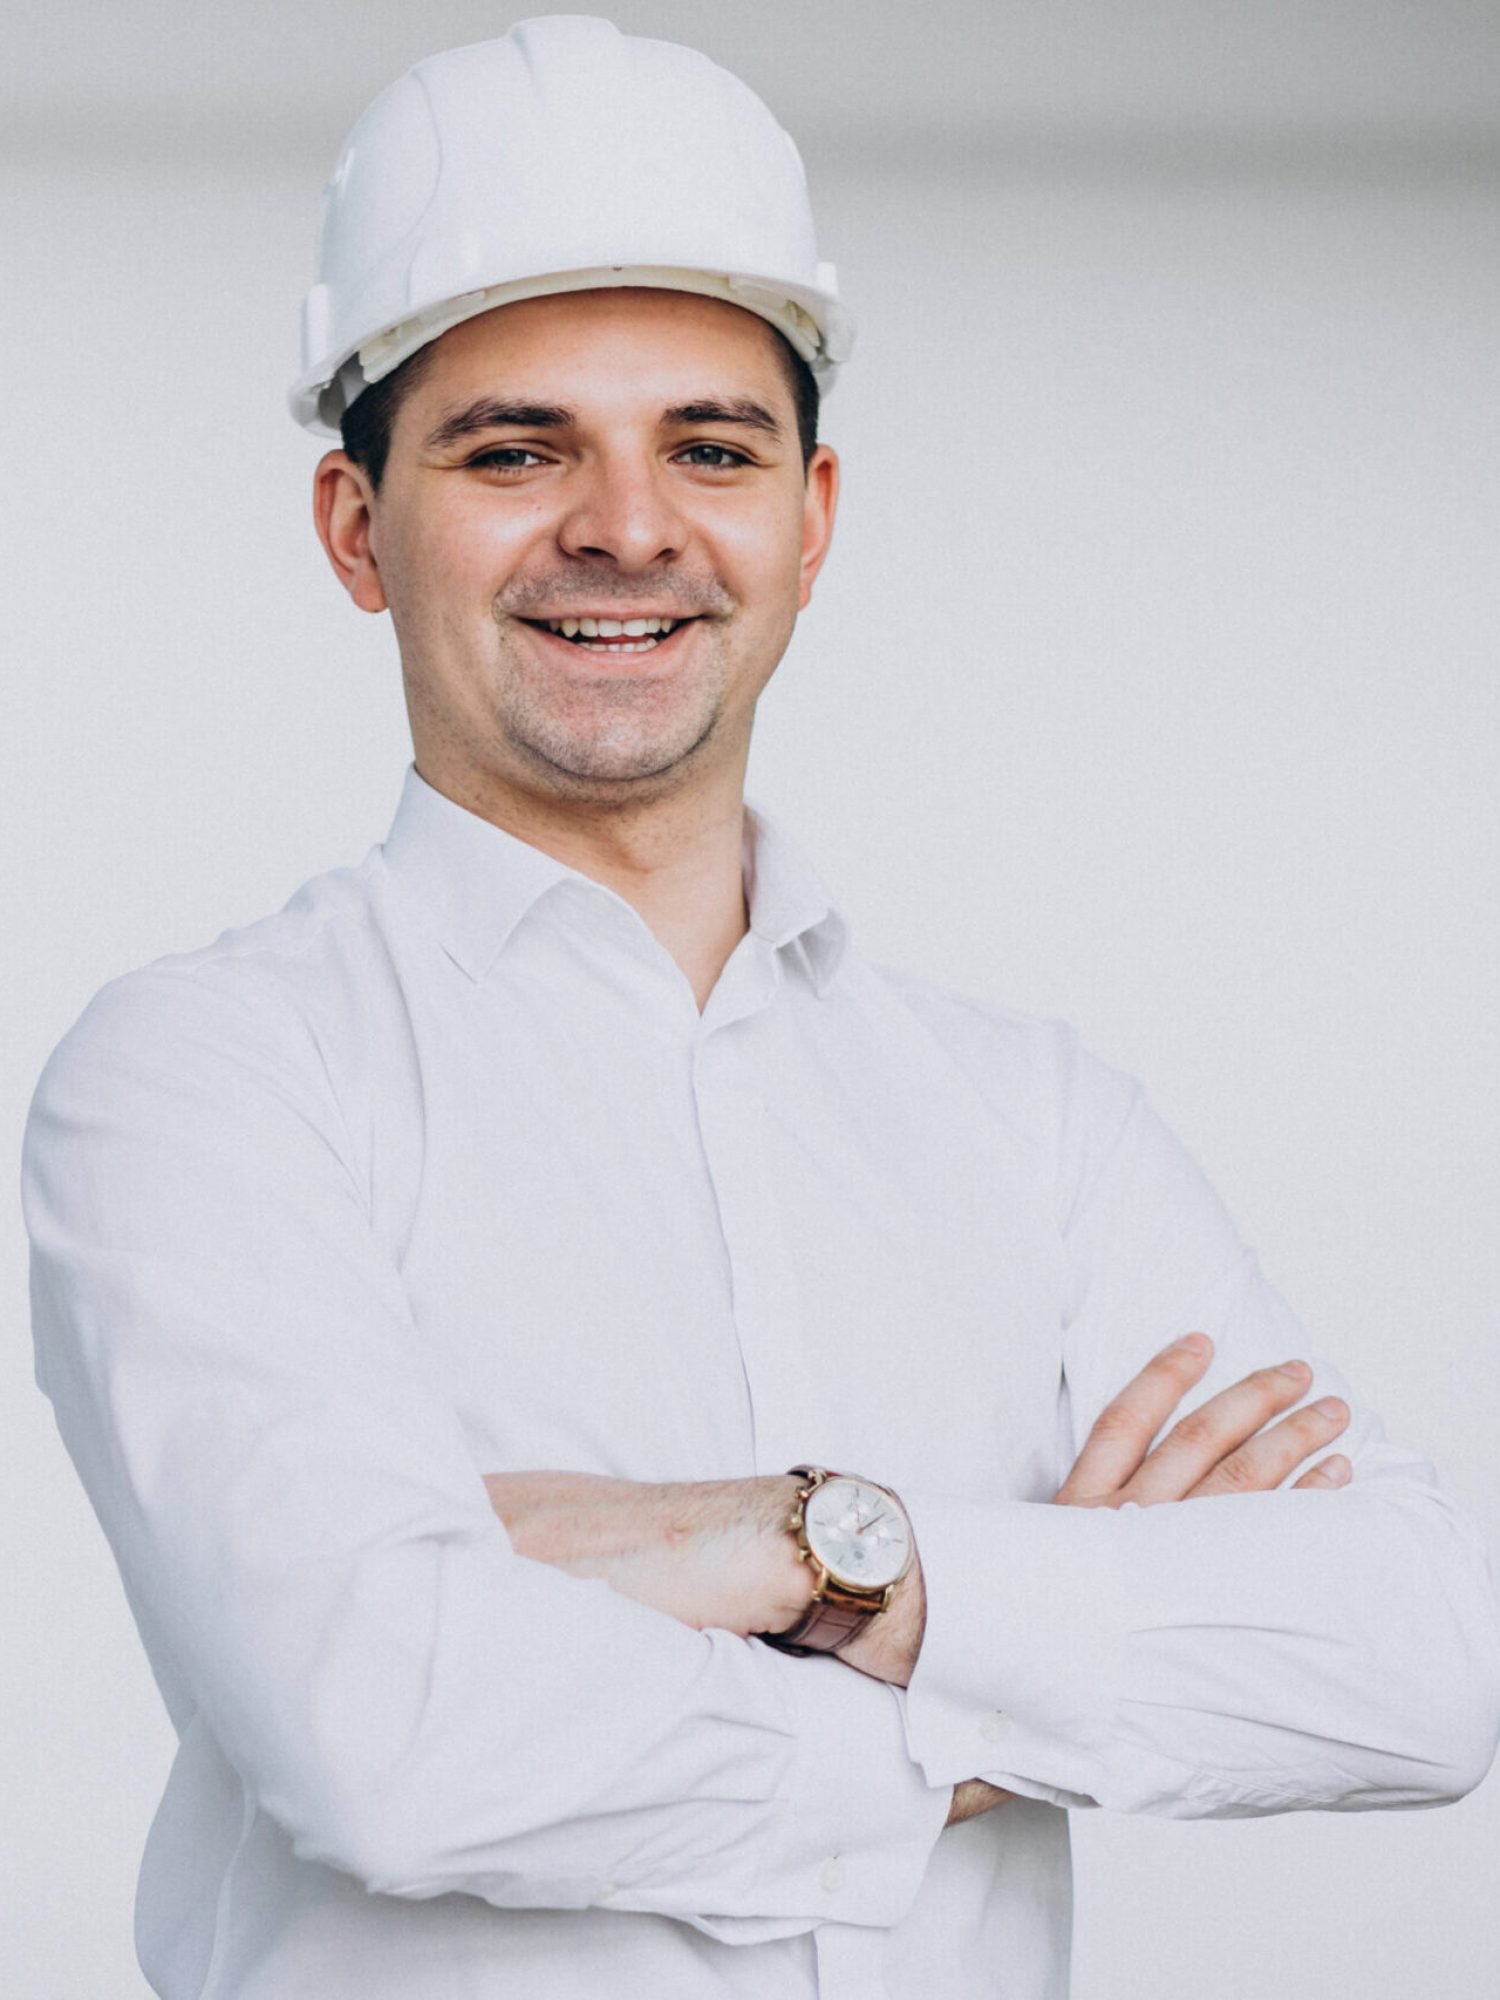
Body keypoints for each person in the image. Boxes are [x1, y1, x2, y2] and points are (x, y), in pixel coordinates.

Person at [21, 17, 1500, 2000]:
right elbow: (392, 1738)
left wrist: (799, 1551)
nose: (626, 527)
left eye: (708, 449)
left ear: (810, 518)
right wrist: (1036, 1640)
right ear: (357, 531)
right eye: (515, 449)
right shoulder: (207, 1078)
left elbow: (1421, 1659)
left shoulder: (1034, 1121)